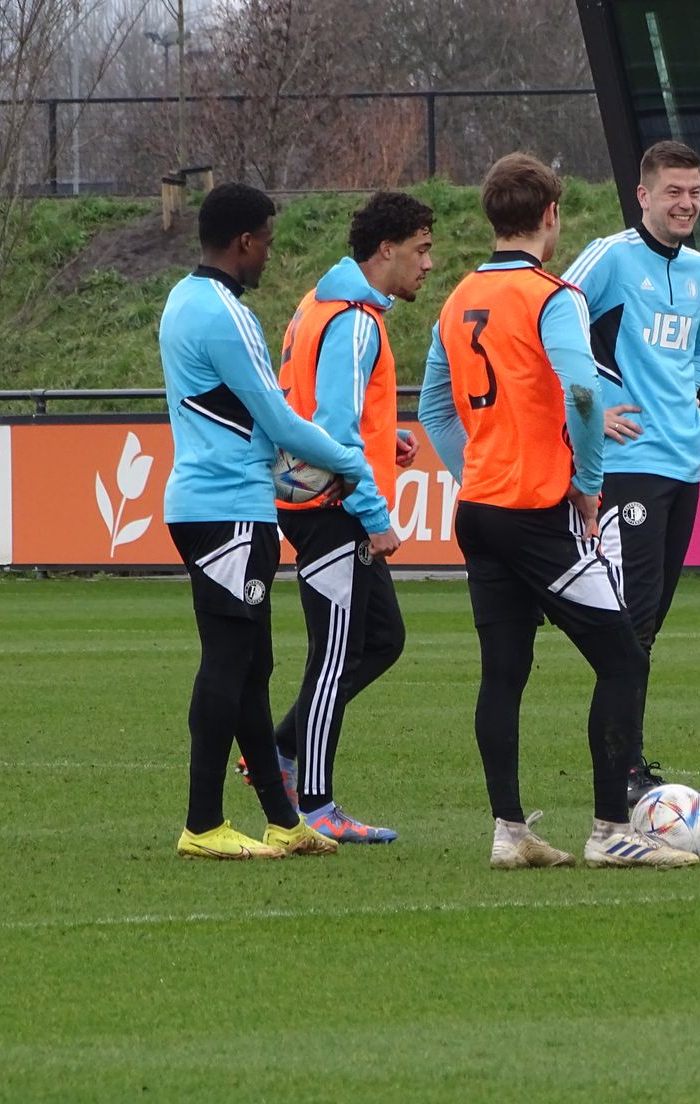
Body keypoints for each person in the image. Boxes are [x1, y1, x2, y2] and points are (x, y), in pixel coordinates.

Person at [418, 152, 698, 869]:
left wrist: (474, 470)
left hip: (480, 510)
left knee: (503, 672)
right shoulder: (551, 296)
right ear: (550, 216)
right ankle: (610, 831)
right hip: (537, 511)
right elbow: (582, 392)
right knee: (623, 659)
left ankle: (509, 832)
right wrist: (588, 480)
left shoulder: (458, 298)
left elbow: (434, 409)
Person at [159, 182, 365, 858]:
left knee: (253, 662)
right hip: (228, 510)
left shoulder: (183, 301)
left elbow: (252, 422)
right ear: (244, 242)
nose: (270, 258)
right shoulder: (223, 313)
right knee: (227, 661)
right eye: (268, 244)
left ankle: (283, 819)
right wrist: (350, 463)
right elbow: (276, 421)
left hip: (214, 504)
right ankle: (202, 824)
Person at [259, 191, 433, 843]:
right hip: (333, 509)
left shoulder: (319, 303)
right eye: (421, 250)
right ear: (385, 250)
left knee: (382, 640)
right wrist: (374, 512)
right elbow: (333, 424)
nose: (428, 264)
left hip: (322, 499)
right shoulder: (356, 319)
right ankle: (315, 806)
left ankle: (277, 747)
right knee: (334, 656)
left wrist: (384, 435)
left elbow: (315, 404)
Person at [561, 140, 700, 806]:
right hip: (626, 467)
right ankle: (621, 768)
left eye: (695, 193)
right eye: (673, 192)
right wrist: (590, 409)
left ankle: (628, 756)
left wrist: (675, 404)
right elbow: (551, 319)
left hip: (684, 464)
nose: (686, 204)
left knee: (649, 621)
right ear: (643, 195)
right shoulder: (610, 256)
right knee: (631, 625)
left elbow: (698, 352)